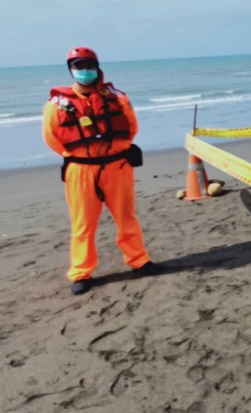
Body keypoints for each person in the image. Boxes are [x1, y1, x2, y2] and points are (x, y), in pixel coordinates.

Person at [42, 47, 161, 295]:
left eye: (87, 65)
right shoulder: (56, 105)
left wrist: (116, 150)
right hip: (80, 170)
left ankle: (138, 260)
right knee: (83, 224)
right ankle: (81, 272)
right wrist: (76, 157)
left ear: (96, 67)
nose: (83, 71)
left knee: (126, 217)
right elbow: (52, 137)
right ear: (70, 70)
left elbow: (131, 127)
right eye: (77, 66)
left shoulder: (117, 97)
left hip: (117, 166)